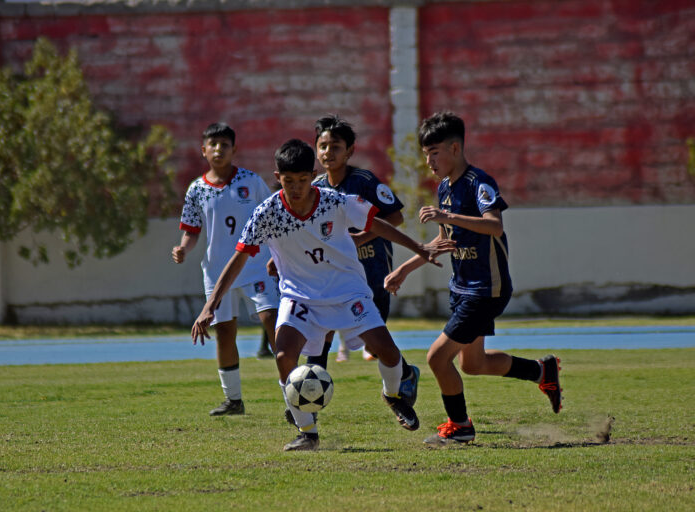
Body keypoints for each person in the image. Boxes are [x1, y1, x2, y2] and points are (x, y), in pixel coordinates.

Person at [192, 139, 456, 451]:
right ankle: (308, 433)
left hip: (346, 291)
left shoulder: (335, 201)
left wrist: (420, 248)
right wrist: (210, 305)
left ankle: (393, 393)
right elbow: (237, 260)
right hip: (300, 297)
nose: (296, 188)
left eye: (303, 180)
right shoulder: (267, 212)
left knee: (386, 351)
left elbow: (380, 224)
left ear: (312, 175)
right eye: (288, 181)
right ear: (278, 177)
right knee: (283, 355)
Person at [384, 112, 562, 446]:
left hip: (486, 288)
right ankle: (542, 371)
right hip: (462, 287)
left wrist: (447, 215)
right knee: (473, 363)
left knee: (437, 357)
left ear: (455, 148)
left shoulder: (479, 183)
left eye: (434, 152)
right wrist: (404, 269)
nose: (429, 160)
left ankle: (460, 426)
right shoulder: (443, 188)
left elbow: (494, 225)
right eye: (425, 154)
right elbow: (444, 240)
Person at [173, 122, 279, 416]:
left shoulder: (251, 181)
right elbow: (192, 230)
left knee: (272, 321)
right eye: (213, 144)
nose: (218, 149)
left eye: (225, 144)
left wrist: (277, 255)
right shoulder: (196, 189)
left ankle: (292, 393)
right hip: (217, 273)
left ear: (235, 149)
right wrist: (184, 247)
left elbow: (271, 217)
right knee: (225, 333)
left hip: (256, 266)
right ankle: (233, 400)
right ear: (203, 150)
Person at [309, 114, 405, 364]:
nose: (328, 152)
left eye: (336, 146)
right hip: (334, 276)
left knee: (377, 349)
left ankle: (404, 376)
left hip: (373, 274)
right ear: (316, 149)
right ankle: (310, 389)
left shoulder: (364, 182)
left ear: (350, 151)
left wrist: (362, 238)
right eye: (323, 146)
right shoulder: (315, 188)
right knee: (322, 331)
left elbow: (395, 217)